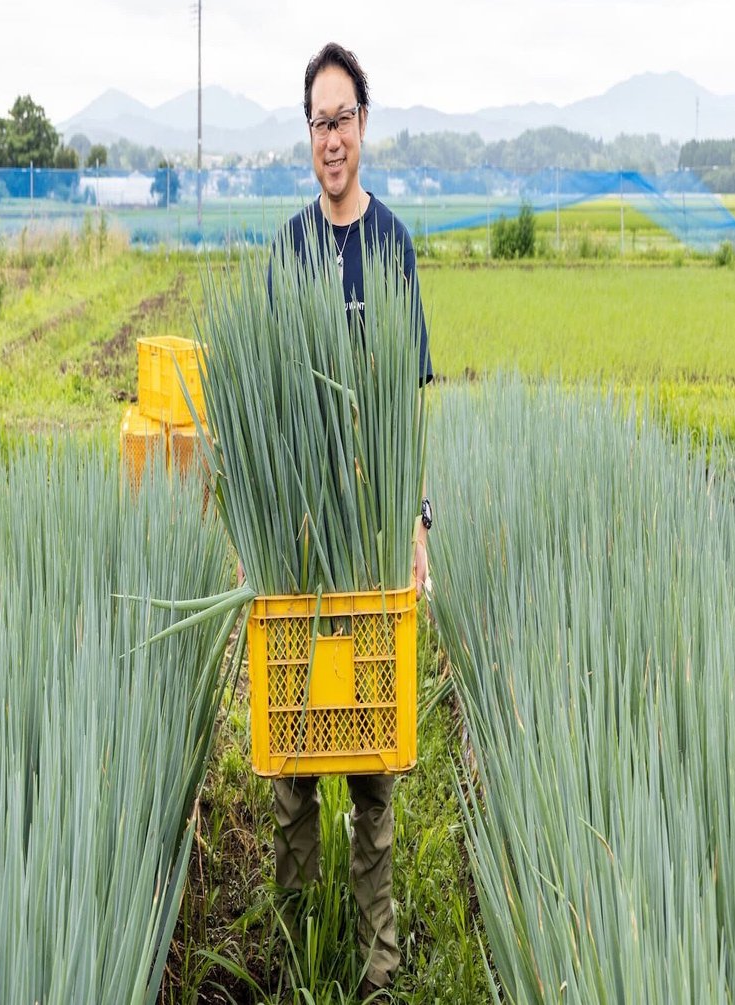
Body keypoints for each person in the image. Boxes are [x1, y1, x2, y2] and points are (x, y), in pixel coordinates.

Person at [269, 41, 434, 999]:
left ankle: (376, 968)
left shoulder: (393, 246)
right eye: (316, 122)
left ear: (365, 125)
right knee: (293, 757)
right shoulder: (289, 249)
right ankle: (293, 955)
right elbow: (272, 407)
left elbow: (408, 405)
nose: (331, 138)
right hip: (299, 535)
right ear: (310, 136)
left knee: (371, 763)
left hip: (370, 535)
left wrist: (414, 523)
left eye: (343, 118)